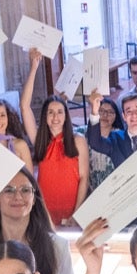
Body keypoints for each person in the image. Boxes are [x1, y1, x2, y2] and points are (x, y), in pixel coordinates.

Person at [30, 94, 89, 227]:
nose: (55, 117)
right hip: (45, 211)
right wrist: (33, 71)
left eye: (60, 112)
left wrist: (76, 213)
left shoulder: (78, 140)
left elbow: (84, 178)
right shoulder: (40, 140)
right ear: (45, 117)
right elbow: (24, 107)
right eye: (50, 112)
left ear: (66, 115)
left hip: (72, 209)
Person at [80, 94, 123, 191]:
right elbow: (66, 131)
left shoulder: (120, 137)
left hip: (115, 190)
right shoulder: (83, 134)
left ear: (116, 116)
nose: (105, 115)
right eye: (101, 111)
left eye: (110, 112)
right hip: (90, 191)